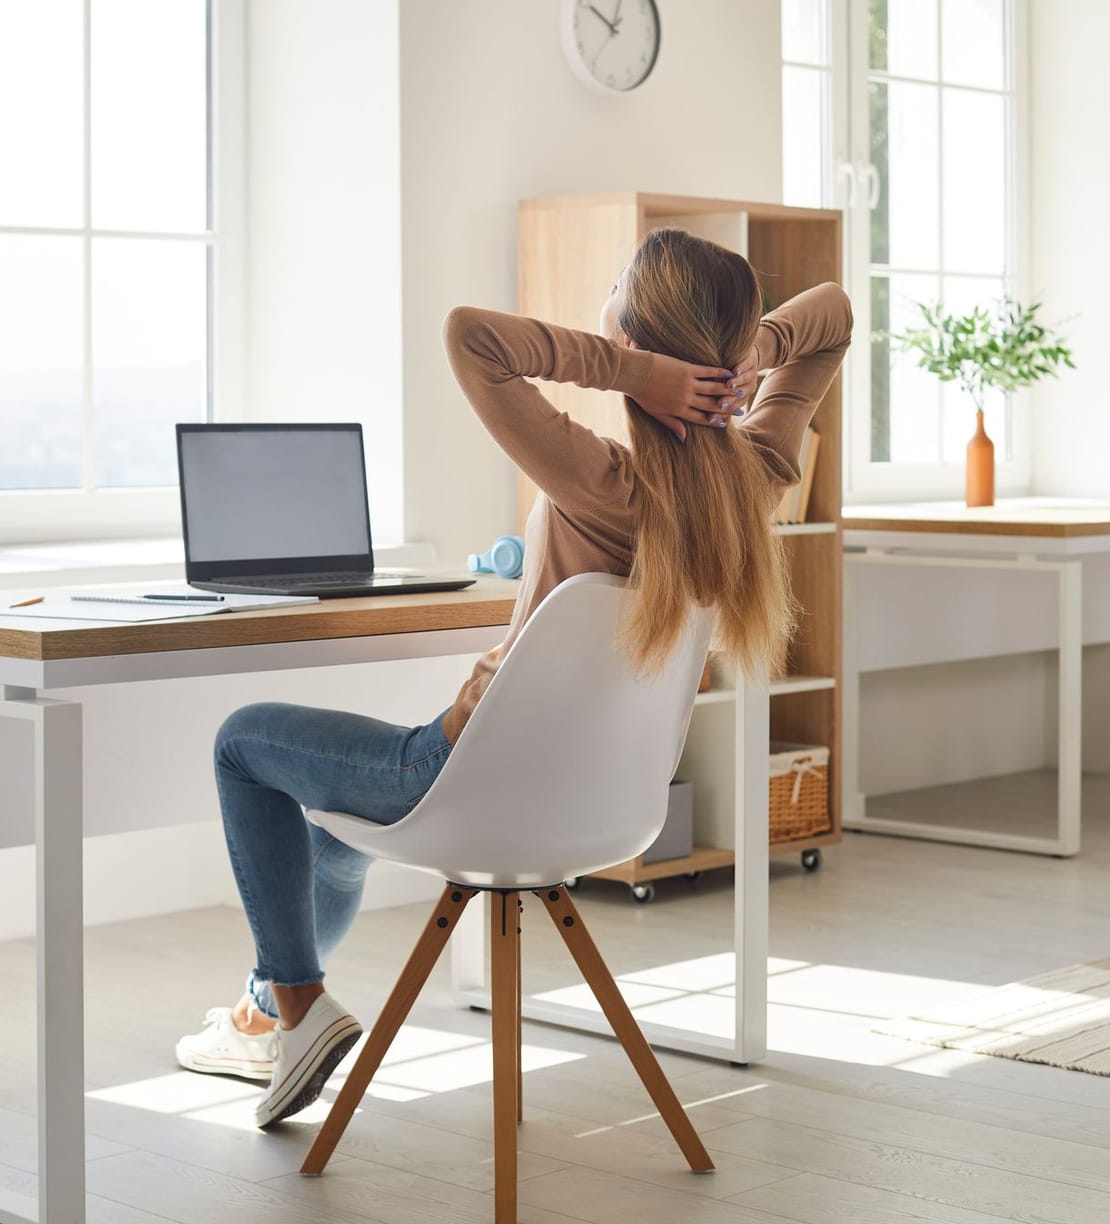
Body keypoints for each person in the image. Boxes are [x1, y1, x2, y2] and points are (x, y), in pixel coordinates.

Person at [175, 228, 852, 1126]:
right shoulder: (756, 479)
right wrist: (744, 359)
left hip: (464, 780)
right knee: (336, 837)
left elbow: (470, 338)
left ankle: (297, 1010)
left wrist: (635, 371)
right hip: (597, 807)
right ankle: (264, 1013)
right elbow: (833, 317)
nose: (604, 296)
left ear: (637, 335)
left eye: (614, 287)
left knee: (242, 742)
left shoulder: (606, 482)